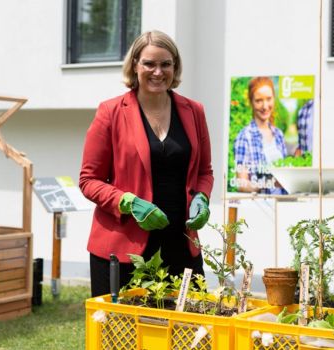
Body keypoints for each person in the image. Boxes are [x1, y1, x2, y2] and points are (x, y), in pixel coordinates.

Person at [80, 30, 213, 297]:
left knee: (186, 333)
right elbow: (88, 180)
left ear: (175, 68)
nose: (158, 71)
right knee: (120, 335)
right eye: (149, 63)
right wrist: (128, 202)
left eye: (166, 64)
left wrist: (202, 197)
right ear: (135, 66)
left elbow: (204, 171)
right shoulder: (111, 112)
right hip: (124, 249)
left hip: (181, 245)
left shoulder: (193, 110)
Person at [233, 77, 287, 194]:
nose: (265, 106)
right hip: (260, 206)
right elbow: (241, 183)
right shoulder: (245, 137)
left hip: (283, 204)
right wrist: (265, 183)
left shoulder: (279, 135)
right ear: (251, 102)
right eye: (259, 100)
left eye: (269, 99)